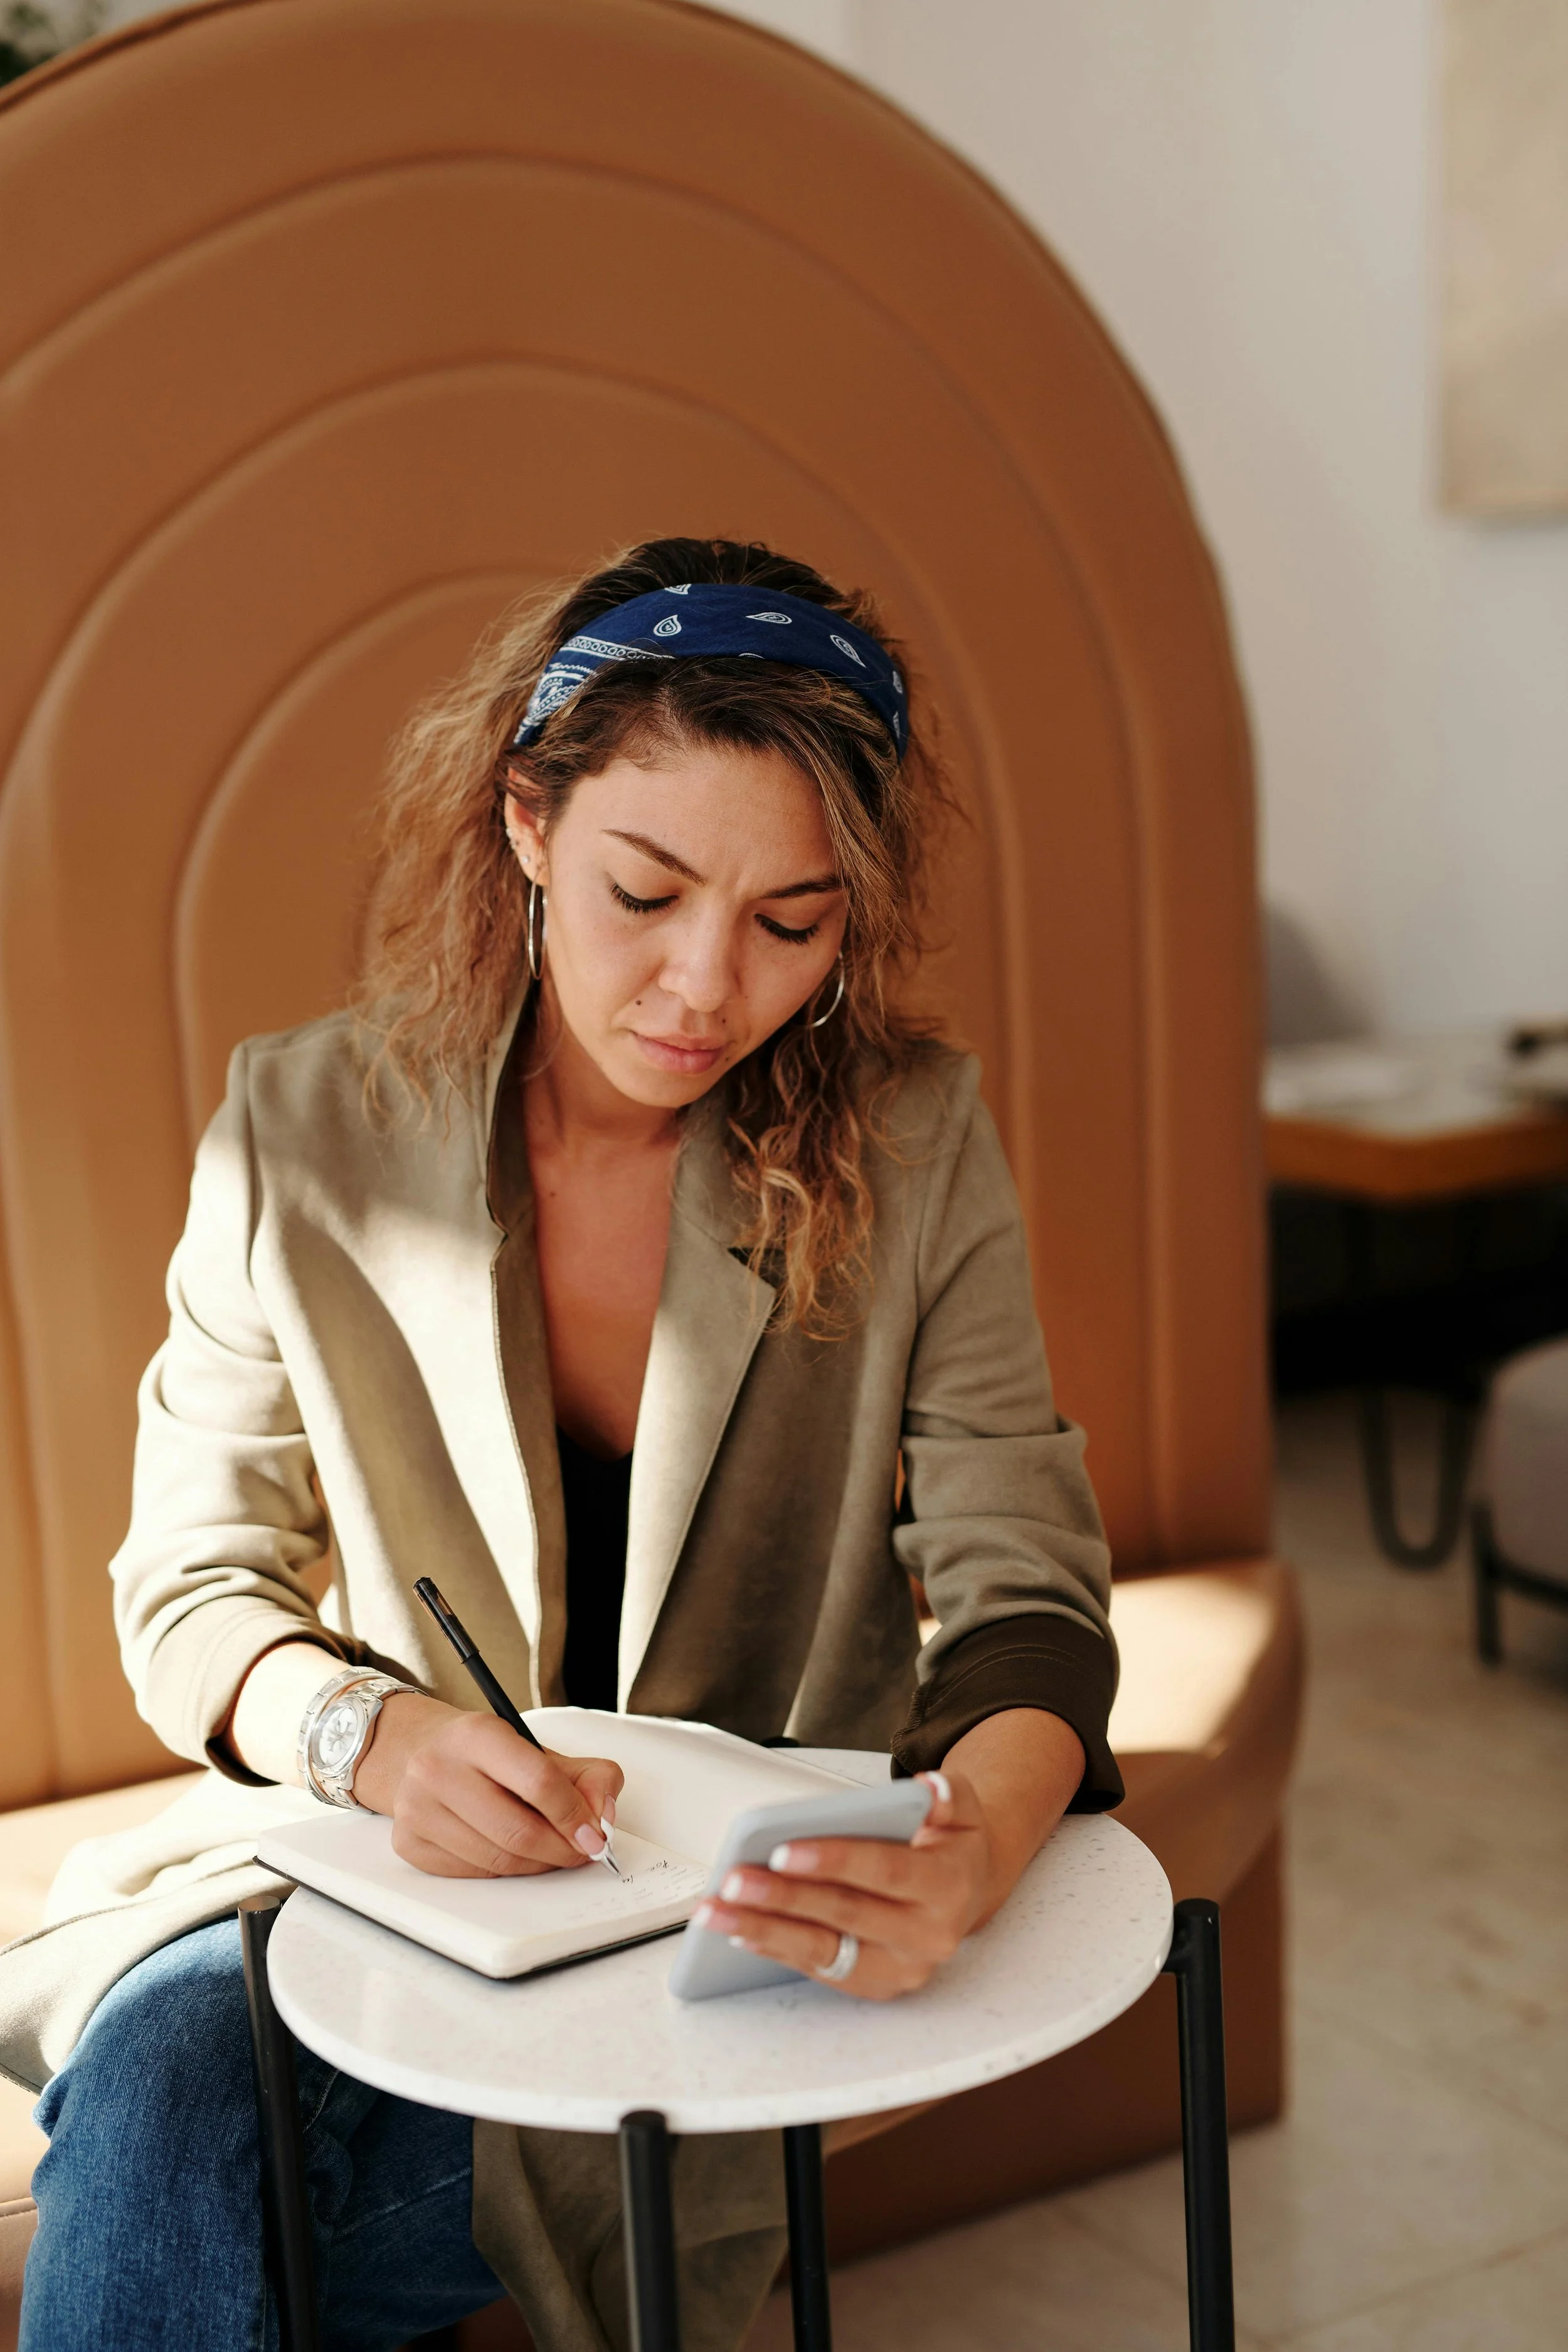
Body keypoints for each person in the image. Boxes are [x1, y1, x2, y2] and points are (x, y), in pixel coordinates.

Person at [11, 538, 1122, 2351]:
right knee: (166, 2080)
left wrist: (971, 1846)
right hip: (380, 1866)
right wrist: (374, 1740)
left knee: (267, 2208)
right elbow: (193, 1587)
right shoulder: (300, 1129)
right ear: (527, 822)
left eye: (790, 923)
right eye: (644, 892)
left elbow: (1028, 1594)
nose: (704, 986)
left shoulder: (916, 1145)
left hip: (729, 1913)